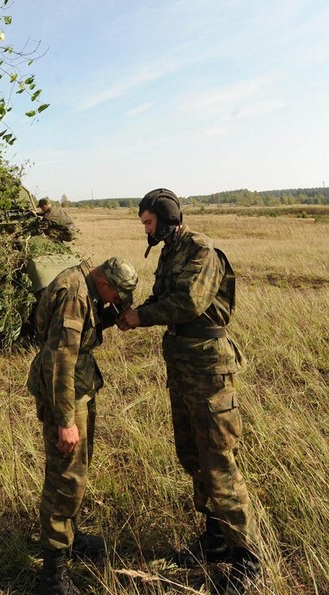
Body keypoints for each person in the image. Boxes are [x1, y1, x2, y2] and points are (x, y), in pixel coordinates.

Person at [119, 189, 261, 595]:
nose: (145, 230)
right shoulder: (171, 250)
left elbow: (188, 303)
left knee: (218, 459)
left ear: (163, 218)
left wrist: (141, 316)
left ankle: (247, 558)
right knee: (194, 456)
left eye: (148, 222)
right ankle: (215, 540)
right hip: (182, 365)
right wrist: (130, 311)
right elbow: (163, 298)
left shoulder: (201, 250)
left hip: (207, 365)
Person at [27, 257, 139, 595]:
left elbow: (81, 334)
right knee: (65, 477)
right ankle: (53, 575)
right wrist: (64, 422)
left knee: (76, 471)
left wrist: (107, 317)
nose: (115, 302)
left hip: (79, 387)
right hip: (67, 393)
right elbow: (60, 358)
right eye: (116, 296)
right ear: (105, 282)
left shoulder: (86, 286)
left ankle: (69, 537)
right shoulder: (75, 295)